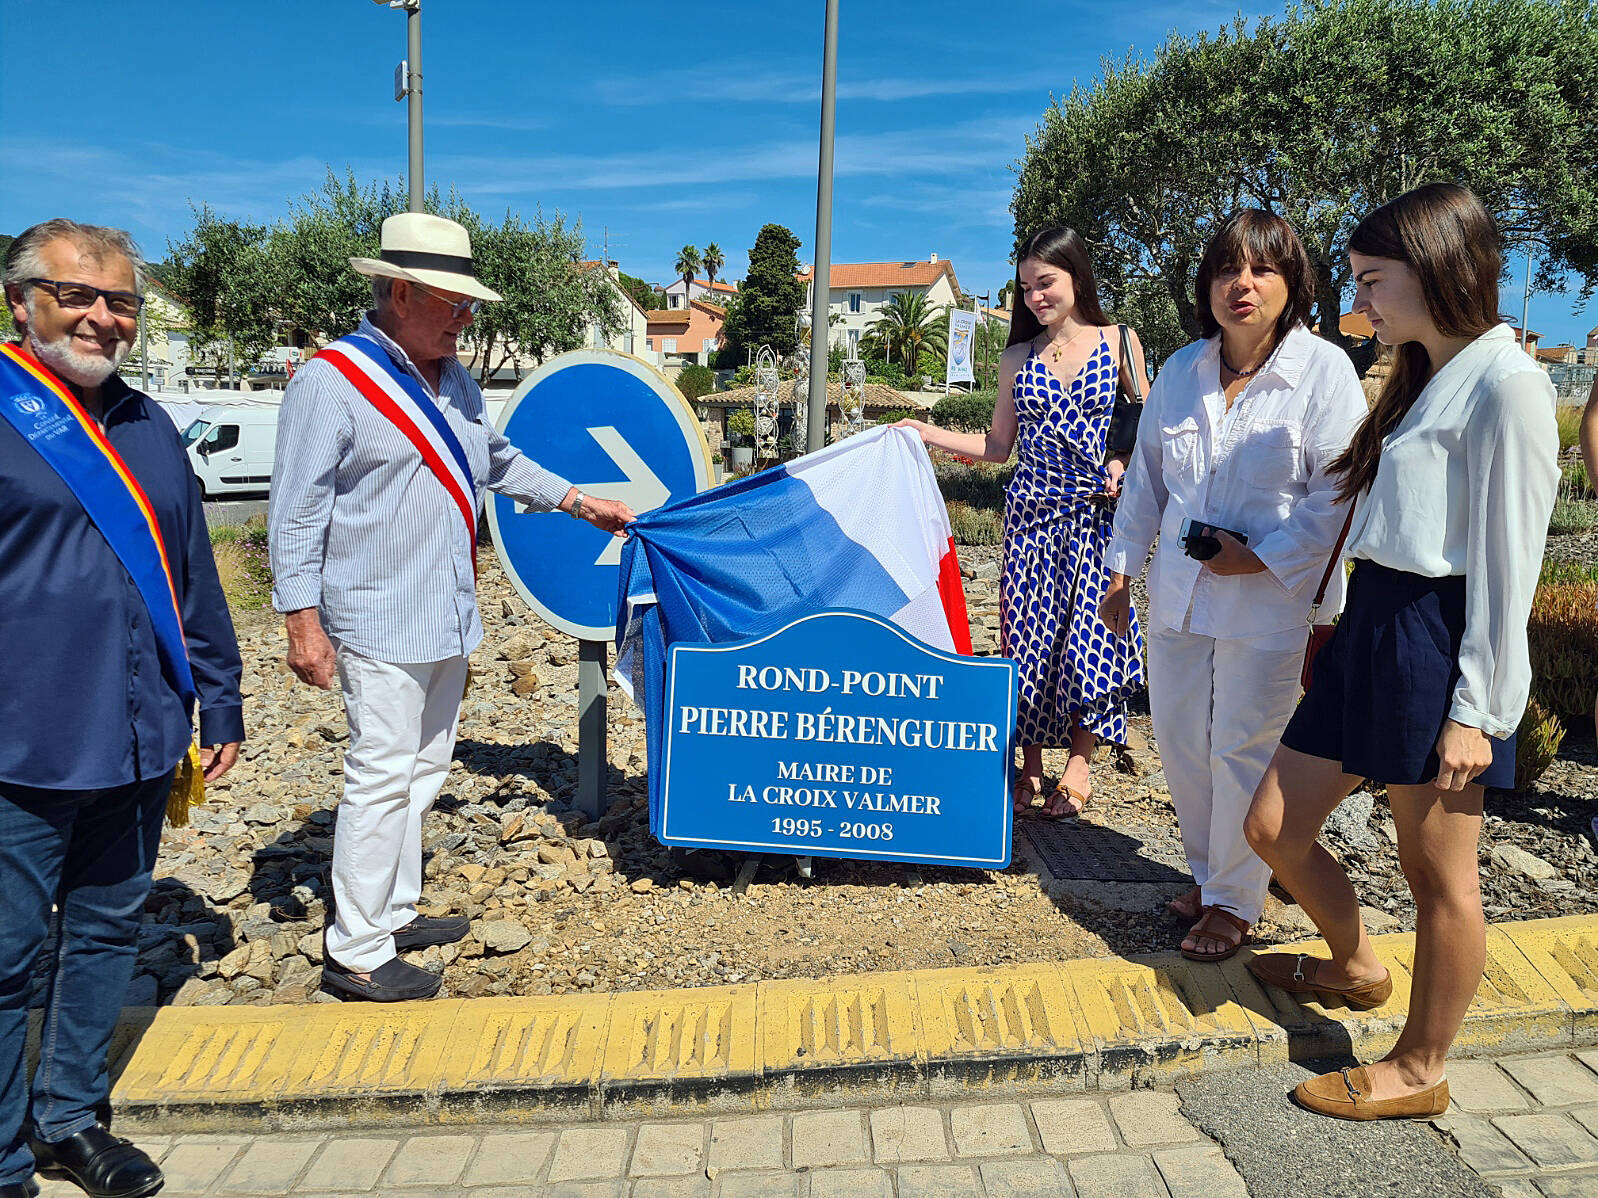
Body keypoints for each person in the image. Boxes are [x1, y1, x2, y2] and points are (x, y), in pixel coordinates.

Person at [1242, 183, 1559, 1120]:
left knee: (1438, 876)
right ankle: (1355, 967)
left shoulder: (1509, 385)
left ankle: (1422, 1070)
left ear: (1436, 267)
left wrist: (1481, 710)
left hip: (1437, 637)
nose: (1362, 304)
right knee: (1271, 827)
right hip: (1375, 628)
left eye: (1373, 282)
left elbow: (1511, 564)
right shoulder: (1428, 375)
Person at [270, 212, 635, 1003]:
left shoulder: (455, 381)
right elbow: (295, 510)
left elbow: (496, 461)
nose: (469, 317)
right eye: (455, 301)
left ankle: (391, 912)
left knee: (424, 770)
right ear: (400, 291)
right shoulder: (330, 382)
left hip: (445, 612)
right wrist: (301, 621)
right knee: (379, 775)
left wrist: (576, 500)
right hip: (374, 616)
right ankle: (358, 951)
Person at [1, 220, 244, 1198]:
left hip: (141, 737)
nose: (103, 317)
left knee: (105, 934)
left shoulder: (148, 424)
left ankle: (67, 1120)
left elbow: (193, 574)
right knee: (8, 957)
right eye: (77, 296)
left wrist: (220, 697)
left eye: (122, 302)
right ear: (22, 301)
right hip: (20, 748)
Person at [1100, 210, 1366, 963]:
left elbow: (1337, 494)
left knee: (1241, 746)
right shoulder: (1183, 370)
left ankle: (1233, 902)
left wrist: (1263, 558)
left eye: (1262, 269)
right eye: (1226, 269)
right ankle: (1208, 873)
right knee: (1183, 744)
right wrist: (1122, 571)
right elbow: (1147, 482)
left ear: (1293, 282)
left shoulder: (1324, 372)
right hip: (1180, 592)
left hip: (1270, 599)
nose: (1241, 285)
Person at [898, 226, 1147, 819]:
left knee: (1093, 640)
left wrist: (1119, 461)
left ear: (1076, 278)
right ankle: (1029, 765)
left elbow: (1143, 422)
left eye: (1047, 282)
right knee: (1028, 639)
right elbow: (996, 445)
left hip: (1096, 515)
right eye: (1027, 287)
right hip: (1030, 516)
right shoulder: (1016, 358)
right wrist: (926, 432)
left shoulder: (1121, 341)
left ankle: (1079, 766)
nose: (1036, 296)